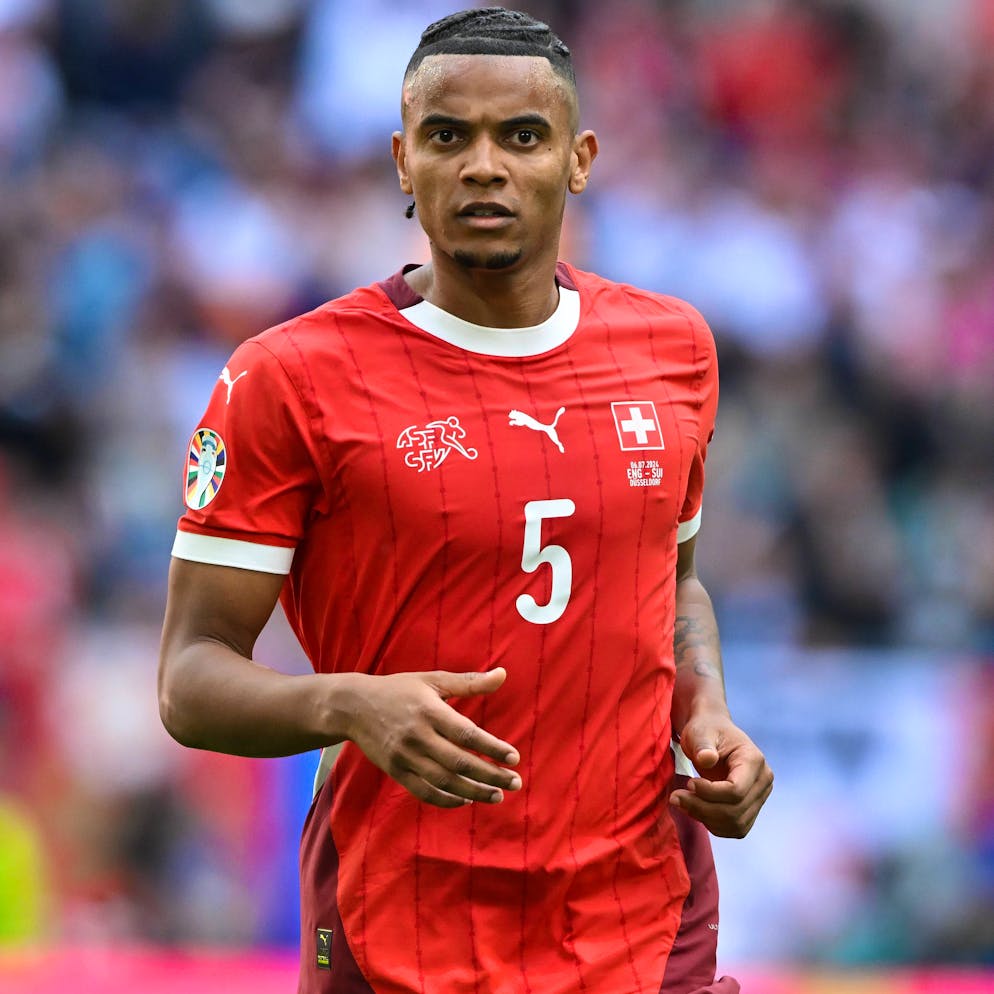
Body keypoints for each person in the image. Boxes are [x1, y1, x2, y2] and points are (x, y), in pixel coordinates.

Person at [158, 8, 773, 993]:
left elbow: (674, 581)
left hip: (641, 920)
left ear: (578, 160)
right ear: (403, 161)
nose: (483, 165)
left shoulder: (672, 351)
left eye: (520, 136)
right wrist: (346, 703)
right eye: (449, 137)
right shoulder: (288, 378)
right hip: (400, 921)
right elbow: (188, 680)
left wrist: (707, 712)